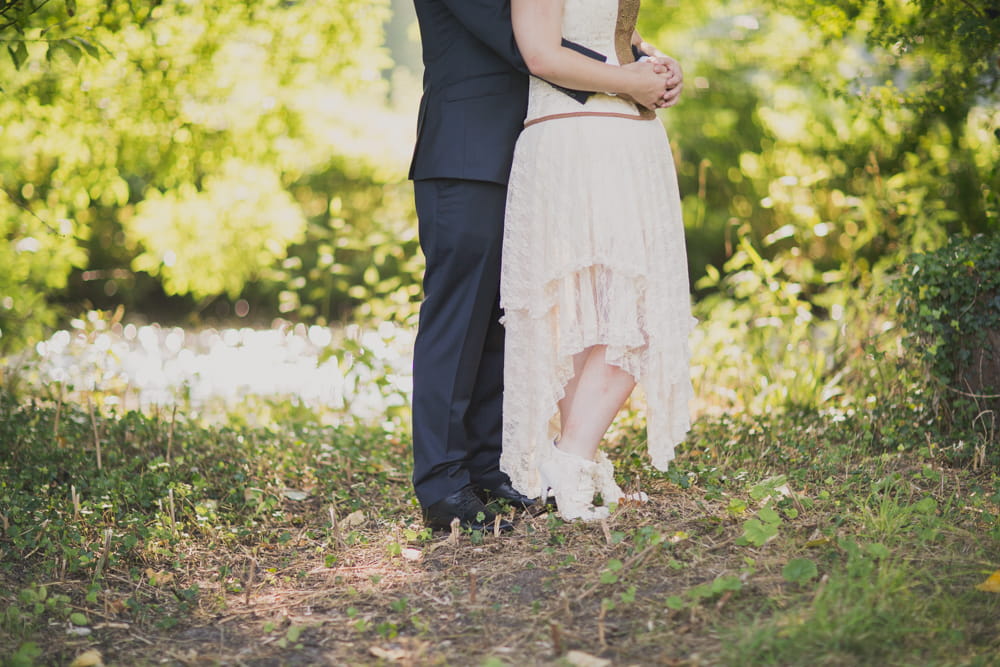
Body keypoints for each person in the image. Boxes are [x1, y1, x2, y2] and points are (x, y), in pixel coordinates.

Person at [408, 0, 683, 531]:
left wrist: (643, 54)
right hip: (466, 151)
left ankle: (486, 471)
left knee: (501, 320)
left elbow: (569, 19)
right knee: (457, 320)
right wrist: (627, 76)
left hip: (527, 148)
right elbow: (527, 42)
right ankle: (443, 488)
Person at [499, 0, 694, 521]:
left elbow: (599, 30)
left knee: (598, 315)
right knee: (626, 312)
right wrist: (629, 82)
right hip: (577, 132)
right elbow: (540, 54)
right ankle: (569, 461)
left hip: (622, 134)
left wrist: (652, 59)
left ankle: (566, 464)